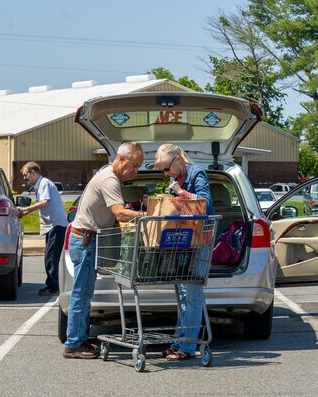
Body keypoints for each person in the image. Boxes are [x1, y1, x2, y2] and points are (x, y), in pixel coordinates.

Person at [64, 141, 144, 359]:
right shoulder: (110, 179)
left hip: (88, 240)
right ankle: (73, 344)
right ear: (121, 159)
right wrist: (147, 216)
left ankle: (80, 338)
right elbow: (119, 213)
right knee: (81, 293)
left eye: (138, 166)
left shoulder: (109, 174)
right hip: (86, 242)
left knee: (85, 292)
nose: (135, 171)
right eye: (134, 165)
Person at [152, 143, 214, 361]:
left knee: (193, 293)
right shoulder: (173, 179)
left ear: (178, 159)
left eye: (166, 168)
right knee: (182, 293)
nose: (165, 173)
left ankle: (188, 347)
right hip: (183, 239)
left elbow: (205, 202)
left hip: (201, 237)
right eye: (162, 170)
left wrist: (181, 192)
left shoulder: (196, 173)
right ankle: (179, 341)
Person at [17, 162, 68, 296]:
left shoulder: (44, 183)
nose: (24, 178)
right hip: (53, 226)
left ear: (34, 172)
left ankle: (53, 287)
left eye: (25, 174)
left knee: (51, 257)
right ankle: (53, 284)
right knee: (51, 256)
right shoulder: (40, 185)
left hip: (56, 225)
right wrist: (24, 213)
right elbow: (43, 205)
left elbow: (45, 202)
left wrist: (26, 209)